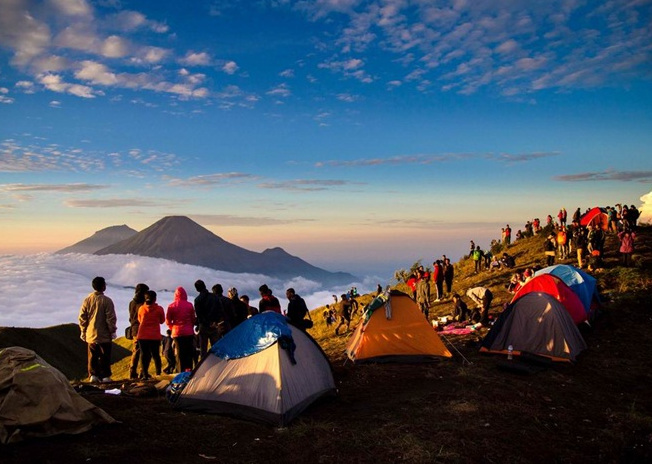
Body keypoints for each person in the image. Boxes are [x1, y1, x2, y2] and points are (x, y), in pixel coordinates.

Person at [79, 276, 117, 383]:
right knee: (105, 355)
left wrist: (83, 330)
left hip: (91, 333)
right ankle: (105, 376)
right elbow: (111, 318)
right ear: (103, 287)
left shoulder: (87, 300)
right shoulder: (107, 301)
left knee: (92, 356)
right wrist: (112, 331)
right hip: (104, 334)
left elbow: (82, 317)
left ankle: (93, 375)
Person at [166, 286, 196, 373]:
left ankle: (180, 371)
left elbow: (168, 320)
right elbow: (193, 319)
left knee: (179, 353)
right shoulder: (189, 305)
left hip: (177, 333)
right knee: (188, 352)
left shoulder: (171, 306)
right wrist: (190, 326)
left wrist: (173, 328)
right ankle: (189, 371)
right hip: (188, 332)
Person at [137, 290, 165, 380]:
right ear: (155, 299)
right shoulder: (159, 309)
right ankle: (158, 373)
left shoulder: (141, 308)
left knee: (144, 355)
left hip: (142, 335)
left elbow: (139, 319)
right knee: (156, 355)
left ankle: (144, 374)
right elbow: (162, 320)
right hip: (154, 335)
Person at [194, 279, 219, 360]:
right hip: (214, 325)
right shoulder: (214, 296)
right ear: (205, 286)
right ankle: (218, 364)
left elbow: (199, 315)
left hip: (204, 326)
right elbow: (219, 310)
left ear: (197, 289)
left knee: (203, 349)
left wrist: (205, 323)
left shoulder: (197, 300)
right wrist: (215, 322)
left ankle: (203, 368)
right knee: (215, 348)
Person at [128, 283, 149, 380]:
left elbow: (130, 317)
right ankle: (142, 372)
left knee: (135, 351)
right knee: (144, 352)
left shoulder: (132, 303)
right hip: (142, 328)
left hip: (134, 329)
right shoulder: (143, 304)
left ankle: (132, 372)